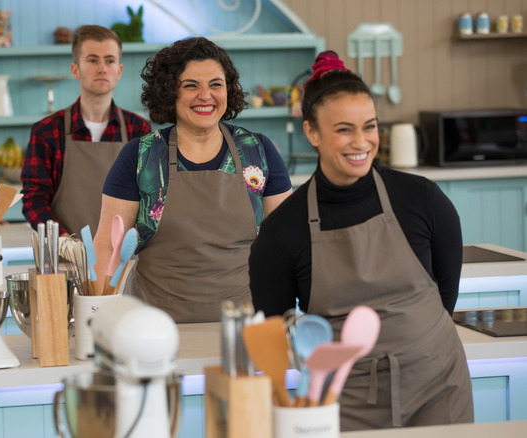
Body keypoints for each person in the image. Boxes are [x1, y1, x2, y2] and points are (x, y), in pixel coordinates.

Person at [249, 51, 474, 429]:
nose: (361, 142)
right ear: (312, 133)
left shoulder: (423, 200)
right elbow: (278, 328)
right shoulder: (282, 230)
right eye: (343, 129)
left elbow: (445, 293)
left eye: (369, 126)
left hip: (438, 383)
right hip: (345, 397)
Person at [93, 37, 293, 323]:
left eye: (215, 84)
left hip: (246, 325)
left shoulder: (259, 152)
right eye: (190, 85)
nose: (205, 95)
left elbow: (285, 245)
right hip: (154, 326)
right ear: (168, 92)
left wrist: (283, 317)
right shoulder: (140, 157)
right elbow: (107, 248)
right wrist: (97, 319)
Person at [21, 25, 152, 236]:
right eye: (92, 60)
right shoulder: (46, 132)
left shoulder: (138, 130)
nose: (102, 68)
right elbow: (33, 200)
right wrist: (63, 242)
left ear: (119, 71)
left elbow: (151, 197)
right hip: (63, 261)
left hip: (124, 260)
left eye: (109, 60)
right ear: (75, 69)